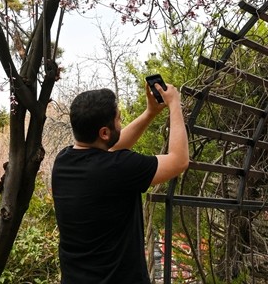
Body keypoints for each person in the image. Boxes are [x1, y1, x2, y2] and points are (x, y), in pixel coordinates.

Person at [51, 81, 189, 284]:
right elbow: (179, 160)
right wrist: (174, 104)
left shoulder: (63, 162)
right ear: (104, 133)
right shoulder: (118, 168)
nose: (121, 122)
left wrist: (149, 113)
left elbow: (111, 146)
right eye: (118, 119)